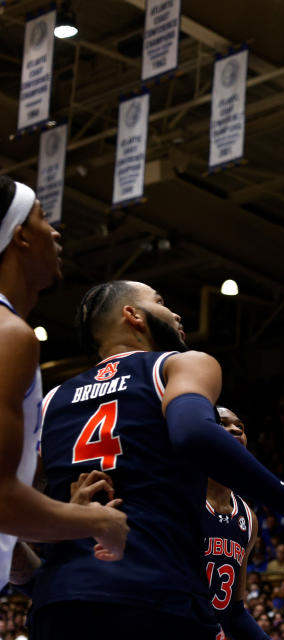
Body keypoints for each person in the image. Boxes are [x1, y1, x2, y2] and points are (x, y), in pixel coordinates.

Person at [29, 280, 284, 639]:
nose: (175, 313)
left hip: (60, 603)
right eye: (160, 300)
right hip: (156, 595)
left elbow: (12, 508)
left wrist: (63, 524)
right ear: (133, 315)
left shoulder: (52, 400)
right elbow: (194, 434)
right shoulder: (178, 365)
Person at [0, 177, 128, 591]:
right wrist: (98, 520)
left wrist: (49, 538)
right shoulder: (9, 335)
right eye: (41, 218)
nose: (55, 231)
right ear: (19, 236)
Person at [204, 406, 270, 640]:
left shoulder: (248, 518)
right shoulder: (180, 500)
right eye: (223, 423)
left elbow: (235, 612)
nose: (234, 429)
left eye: (239, 427)